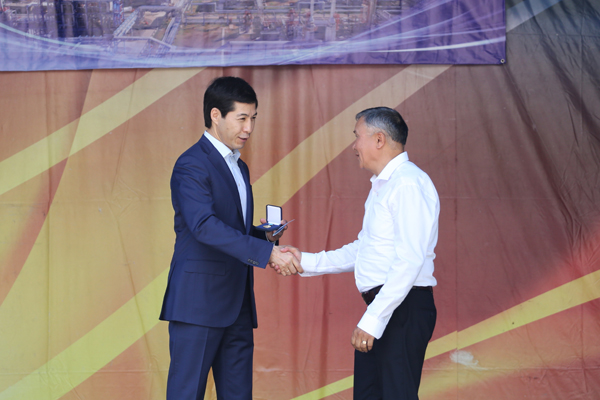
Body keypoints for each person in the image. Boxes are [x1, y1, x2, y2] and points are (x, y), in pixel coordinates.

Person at [279, 107, 439, 400]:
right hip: (387, 307)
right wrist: (306, 261)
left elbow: (410, 261)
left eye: (357, 136)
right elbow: (365, 249)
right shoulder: (384, 185)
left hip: (401, 308)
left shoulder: (407, 183)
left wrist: (373, 319)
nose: (354, 146)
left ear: (379, 140)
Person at [159, 76, 302, 400]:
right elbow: (204, 226)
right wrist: (267, 254)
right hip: (198, 304)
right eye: (242, 118)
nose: (249, 128)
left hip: (237, 305)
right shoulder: (191, 164)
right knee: (186, 394)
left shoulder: (240, 167)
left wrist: (264, 237)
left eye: (253, 118)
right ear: (215, 115)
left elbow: (232, 228)